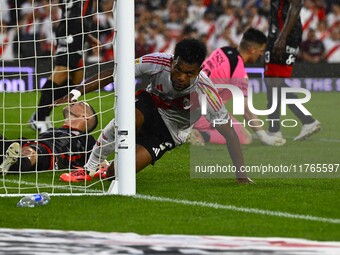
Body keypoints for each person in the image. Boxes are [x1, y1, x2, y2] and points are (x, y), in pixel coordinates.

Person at [56, 39, 253, 184]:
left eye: (189, 73)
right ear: (172, 62)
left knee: (116, 175)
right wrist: (76, 91)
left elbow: (230, 134)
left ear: (199, 70)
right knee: (128, 118)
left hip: (170, 130)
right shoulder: (157, 62)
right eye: (178, 69)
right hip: (150, 105)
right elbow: (116, 71)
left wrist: (241, 175)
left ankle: (107, 168)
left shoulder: (206, 92)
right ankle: (89, 168)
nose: (182, 78)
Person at [190, 28, 286, 146]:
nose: (261, 54)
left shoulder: (223, 50)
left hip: (188, 101)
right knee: (245, 137)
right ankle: (201, 135)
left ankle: (192, 128)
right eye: (260, 51)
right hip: (199, 111)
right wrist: (263, 136)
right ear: (252, 50)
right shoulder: (239, 72)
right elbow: (245, 109)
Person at [29, 0, 100, 133]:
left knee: (76, 79)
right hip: (71, 27)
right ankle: (39, 117)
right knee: (62, 70)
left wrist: (87, 35)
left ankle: (43, 113)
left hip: (79, 29)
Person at [0, 102, 105, 181]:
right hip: (26, 143)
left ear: (86, 117)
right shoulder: (55, 129)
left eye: (81, 104)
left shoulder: (87, 138)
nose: (74, 101)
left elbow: (101, 163)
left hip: (51, 154)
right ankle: (9, 159)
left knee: (31, 151)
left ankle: (13, 164)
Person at [264, 0, 321, 141]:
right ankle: (274, 130)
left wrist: (282, 37)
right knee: (271, 80)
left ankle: (308, 121)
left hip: (285, 34)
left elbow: (296, 5)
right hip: (277, 31)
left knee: (274, 81)